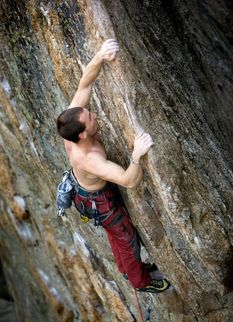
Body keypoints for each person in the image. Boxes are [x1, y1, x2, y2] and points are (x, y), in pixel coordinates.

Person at [56, 39, 170, 294]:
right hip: (98, 200)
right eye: (91, 118)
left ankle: (125, 269)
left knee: (115, 234)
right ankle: (141, 282)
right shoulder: (90, 158)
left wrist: (99, 57)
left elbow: (85, 83)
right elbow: (129, 180)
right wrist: (136, 156)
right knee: (128, 239)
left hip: (86, 193)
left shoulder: (71, 125)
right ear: (82, 135)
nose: (94, 115)